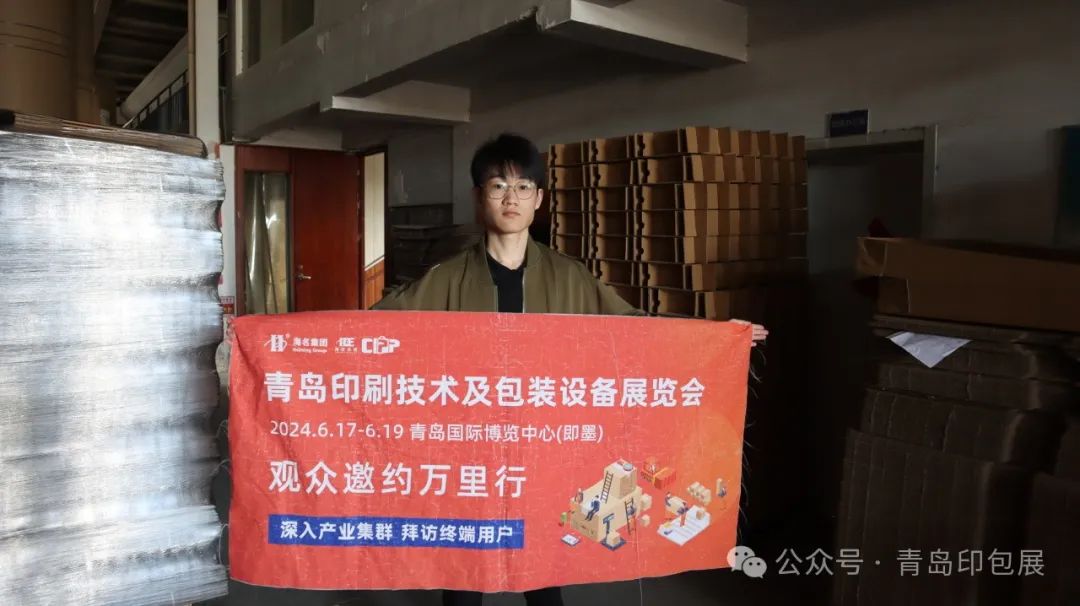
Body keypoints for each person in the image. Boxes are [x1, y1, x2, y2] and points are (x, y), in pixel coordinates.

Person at [375, 133, 766, 606]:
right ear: (479, 197)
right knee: (465, 573)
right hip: (473, 447)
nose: (511, 198)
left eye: (523, 187)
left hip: (543, 444)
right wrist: (292, 339)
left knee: (542, 569)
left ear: (538, 199)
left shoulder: (569, 276)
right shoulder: (446, 278)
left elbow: (635, 328)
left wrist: (716, 336)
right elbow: (376, 328)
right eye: (498, 186)